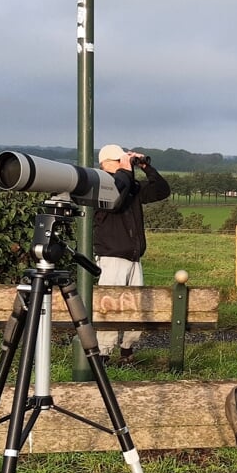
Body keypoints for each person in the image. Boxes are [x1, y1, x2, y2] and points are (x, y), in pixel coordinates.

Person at [93, 143, 170, 361]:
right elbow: (115, 200)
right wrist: (126, 171)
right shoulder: (101, 185)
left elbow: (162, 190)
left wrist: (146, 167)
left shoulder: (130, 185)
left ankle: (127, 349)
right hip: (111, 256)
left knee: (135, 306)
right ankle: (104, 352)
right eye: (119, 161)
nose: (123, 164)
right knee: (109, 305)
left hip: (134, 257)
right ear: (106, 163)